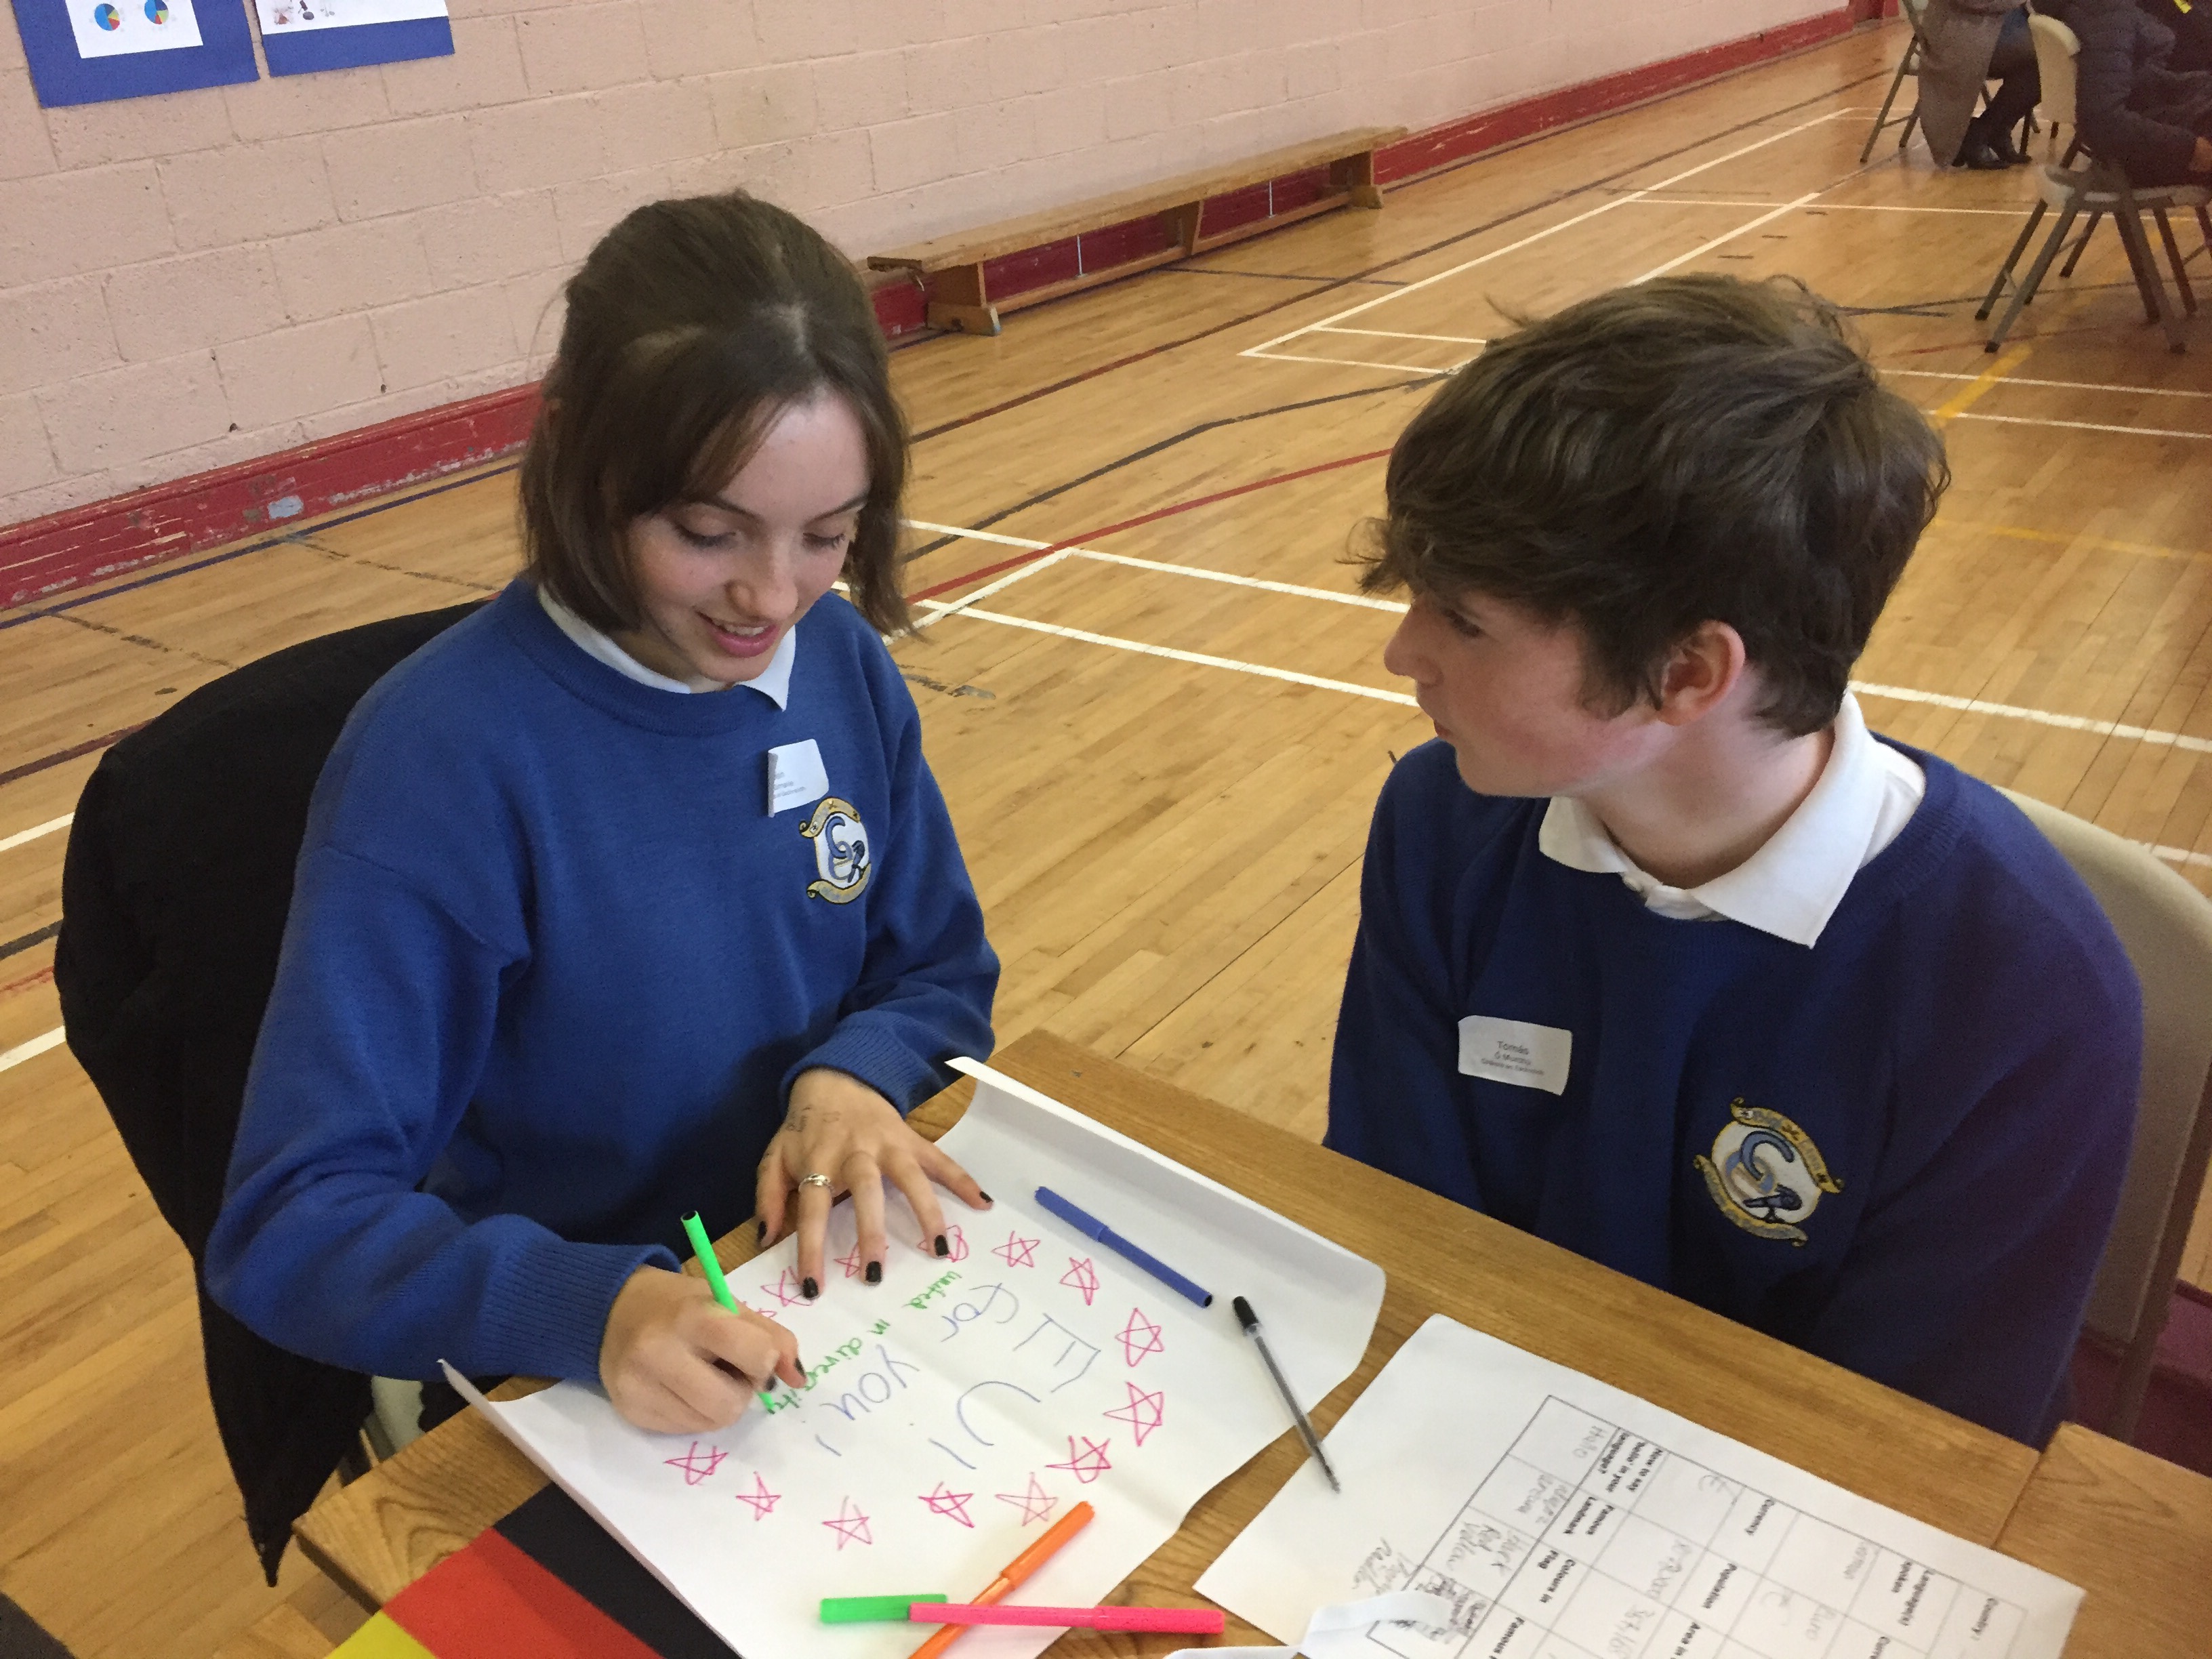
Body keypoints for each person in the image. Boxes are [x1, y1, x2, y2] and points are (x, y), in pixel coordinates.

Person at [205, 190, 1000, 1437]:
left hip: (815, 1280)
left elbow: (939, 969)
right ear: (581, 455)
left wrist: (860, 1073)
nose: (770, 596)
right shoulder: (441, 762)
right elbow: (292, 1219)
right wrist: (590, 1309)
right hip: (568, 1358)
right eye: (707, 532)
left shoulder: (840, 663)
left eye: (825, 537)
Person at [1326, 275, 2140, 1447]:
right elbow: (1389, 1220)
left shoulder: (2023, 987)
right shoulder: (1437, 823)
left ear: (1687, 674)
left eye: (1461, 619)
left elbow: (1914, 1443)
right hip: (1474, 1441)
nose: (1401, 652)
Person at [2038, 0, 2212, 182]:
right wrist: (2190, 149)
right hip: (2156, 147)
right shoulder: (2108, 12)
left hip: (2167, 111)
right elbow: (2102, 120)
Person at [1918, 0, 2040, 168]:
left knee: (2048, 58)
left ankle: (1989, 131)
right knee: (2045, 58)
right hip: (1958, 31)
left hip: (1992, 21)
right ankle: (1987, 133)